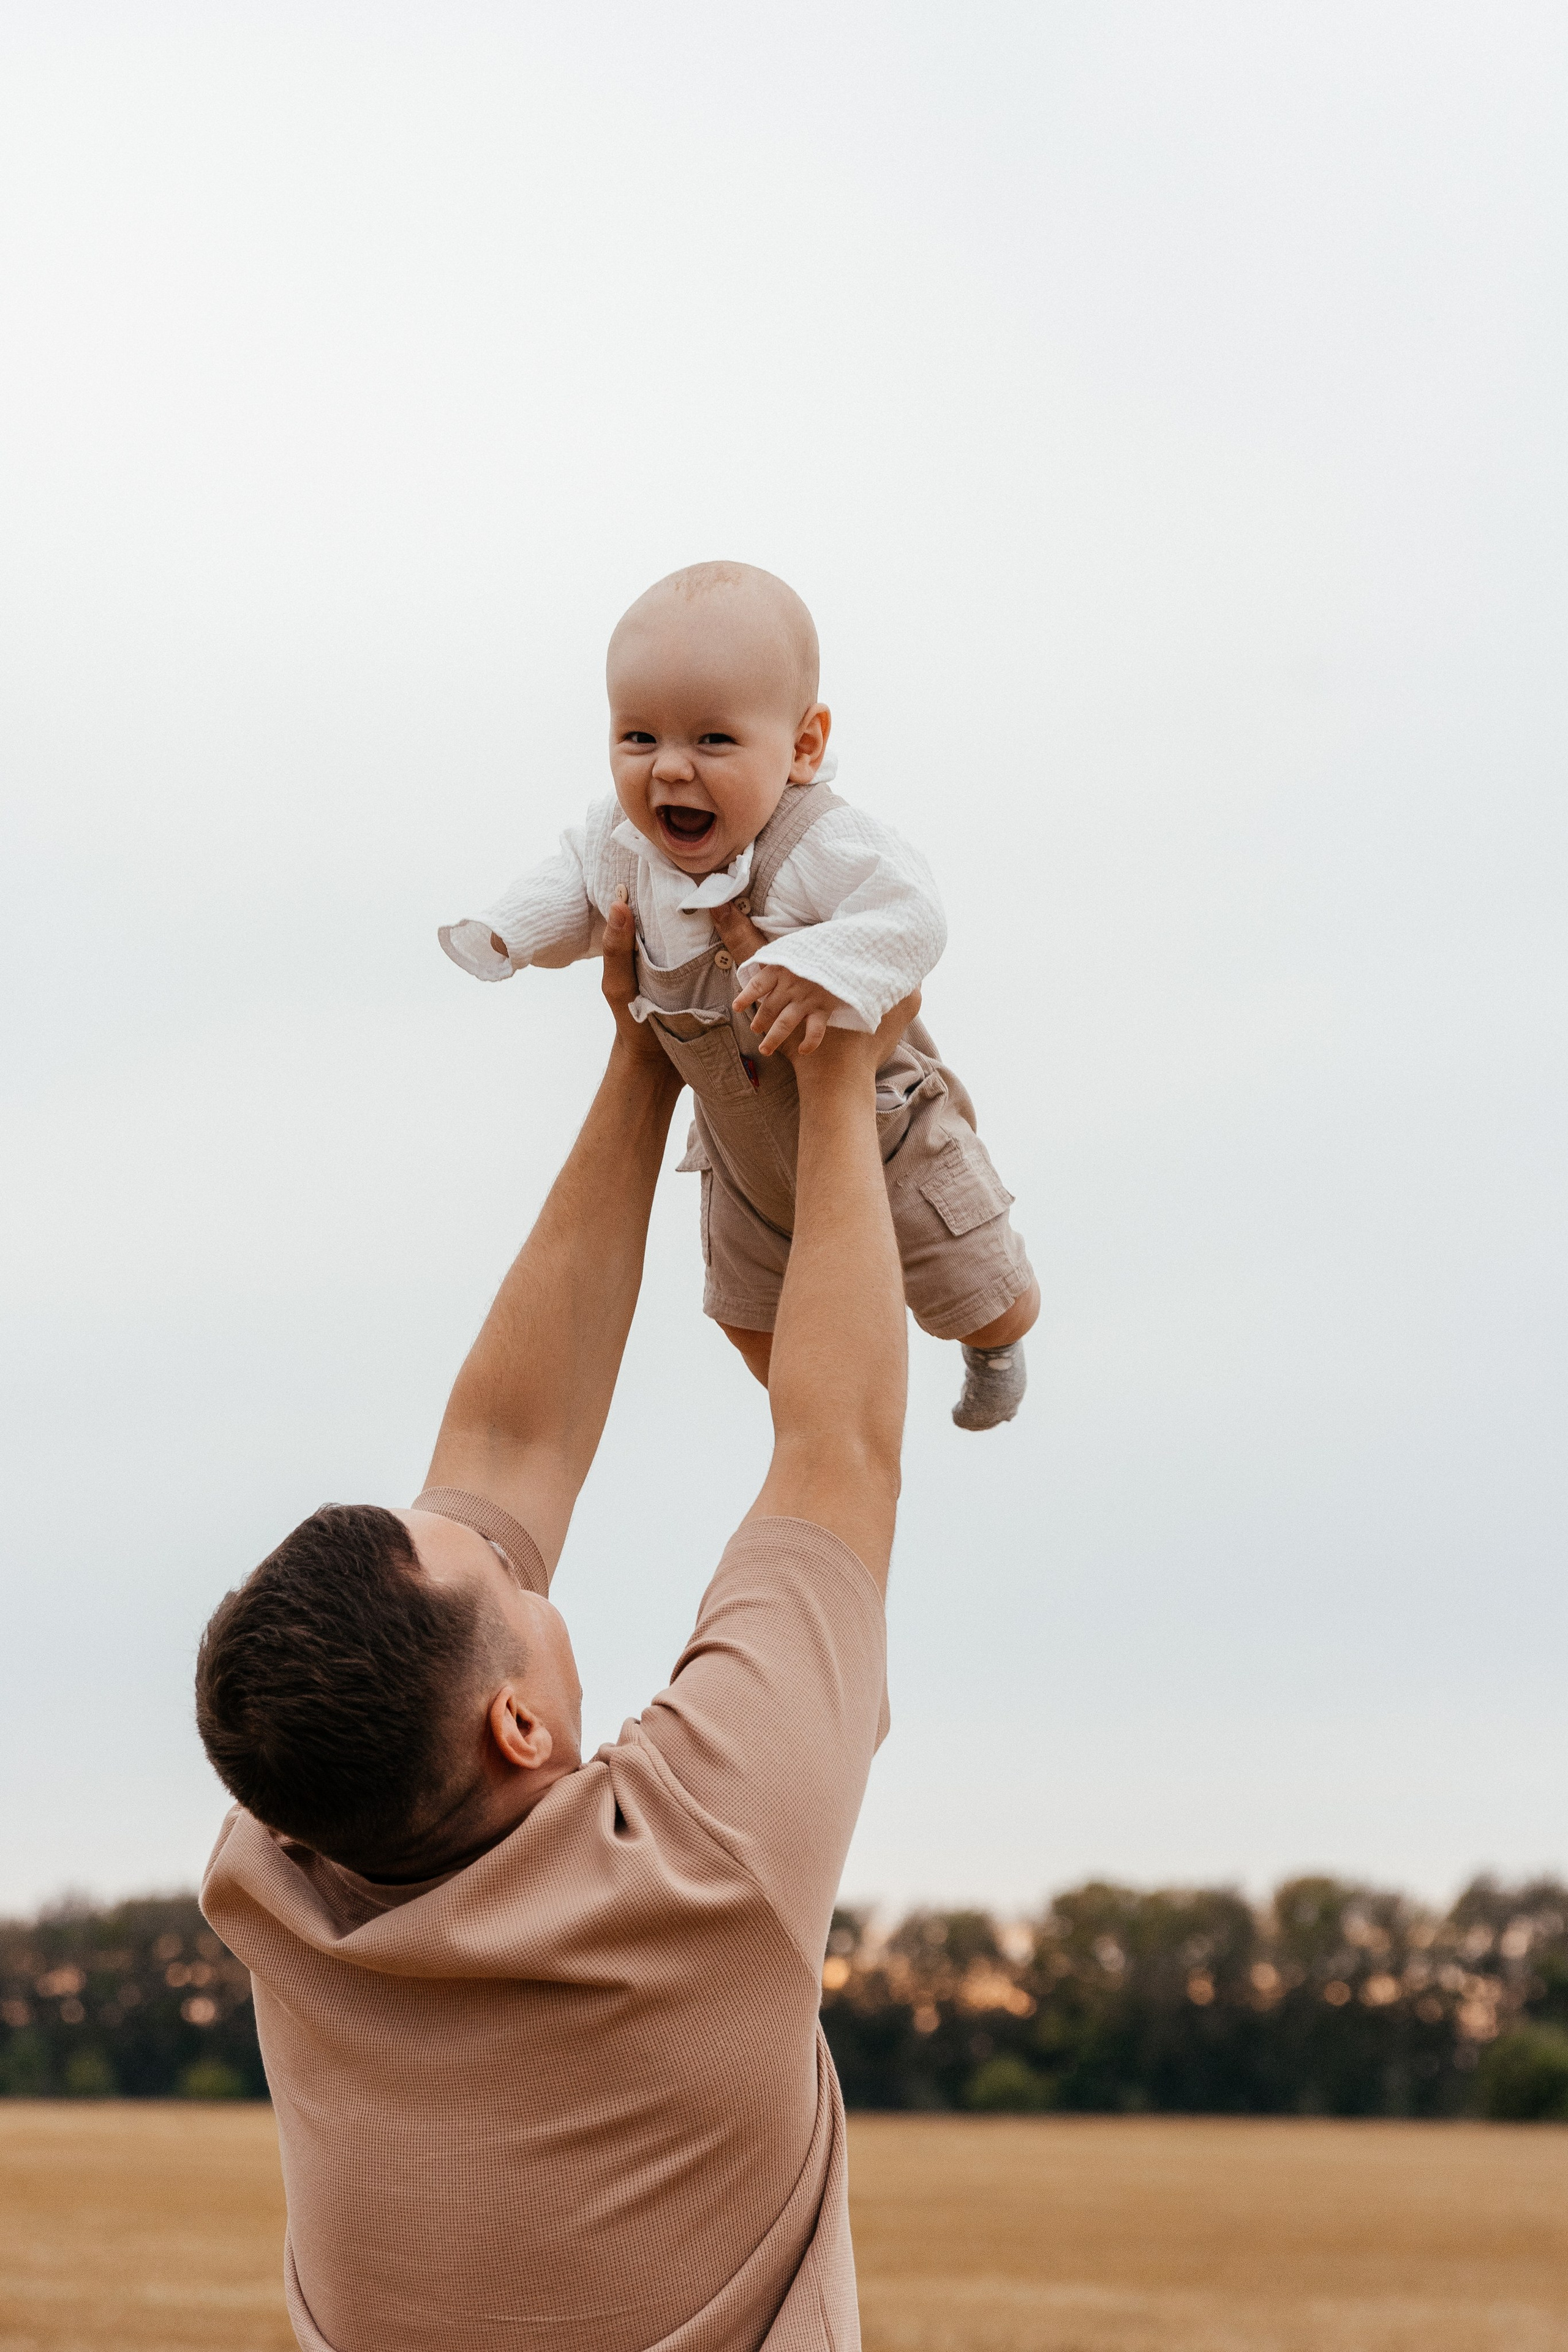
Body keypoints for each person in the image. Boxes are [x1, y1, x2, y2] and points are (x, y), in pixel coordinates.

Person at [196, 899, 914, 2352]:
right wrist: (841, 1078)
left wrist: (648, 1050)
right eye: (508, 1586)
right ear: (514, 1724)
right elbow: (831, 1449)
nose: (518, 1553)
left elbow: (511, 1436)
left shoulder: (282, 1877)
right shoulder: (705, 1873)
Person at [438, 558, 1039, 1431]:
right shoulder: (621, 845)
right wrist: (509, 934)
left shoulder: (818, 841)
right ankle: (833, 1408)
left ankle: (995, 1347)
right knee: (746, 1315)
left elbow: (914, 917)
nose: (669, 770)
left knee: (981, 1291)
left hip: (880, 1131)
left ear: (802, 746)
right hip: (744, 1145)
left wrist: (823, 964)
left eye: (713, 741)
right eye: (638, 738)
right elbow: (571, 883)